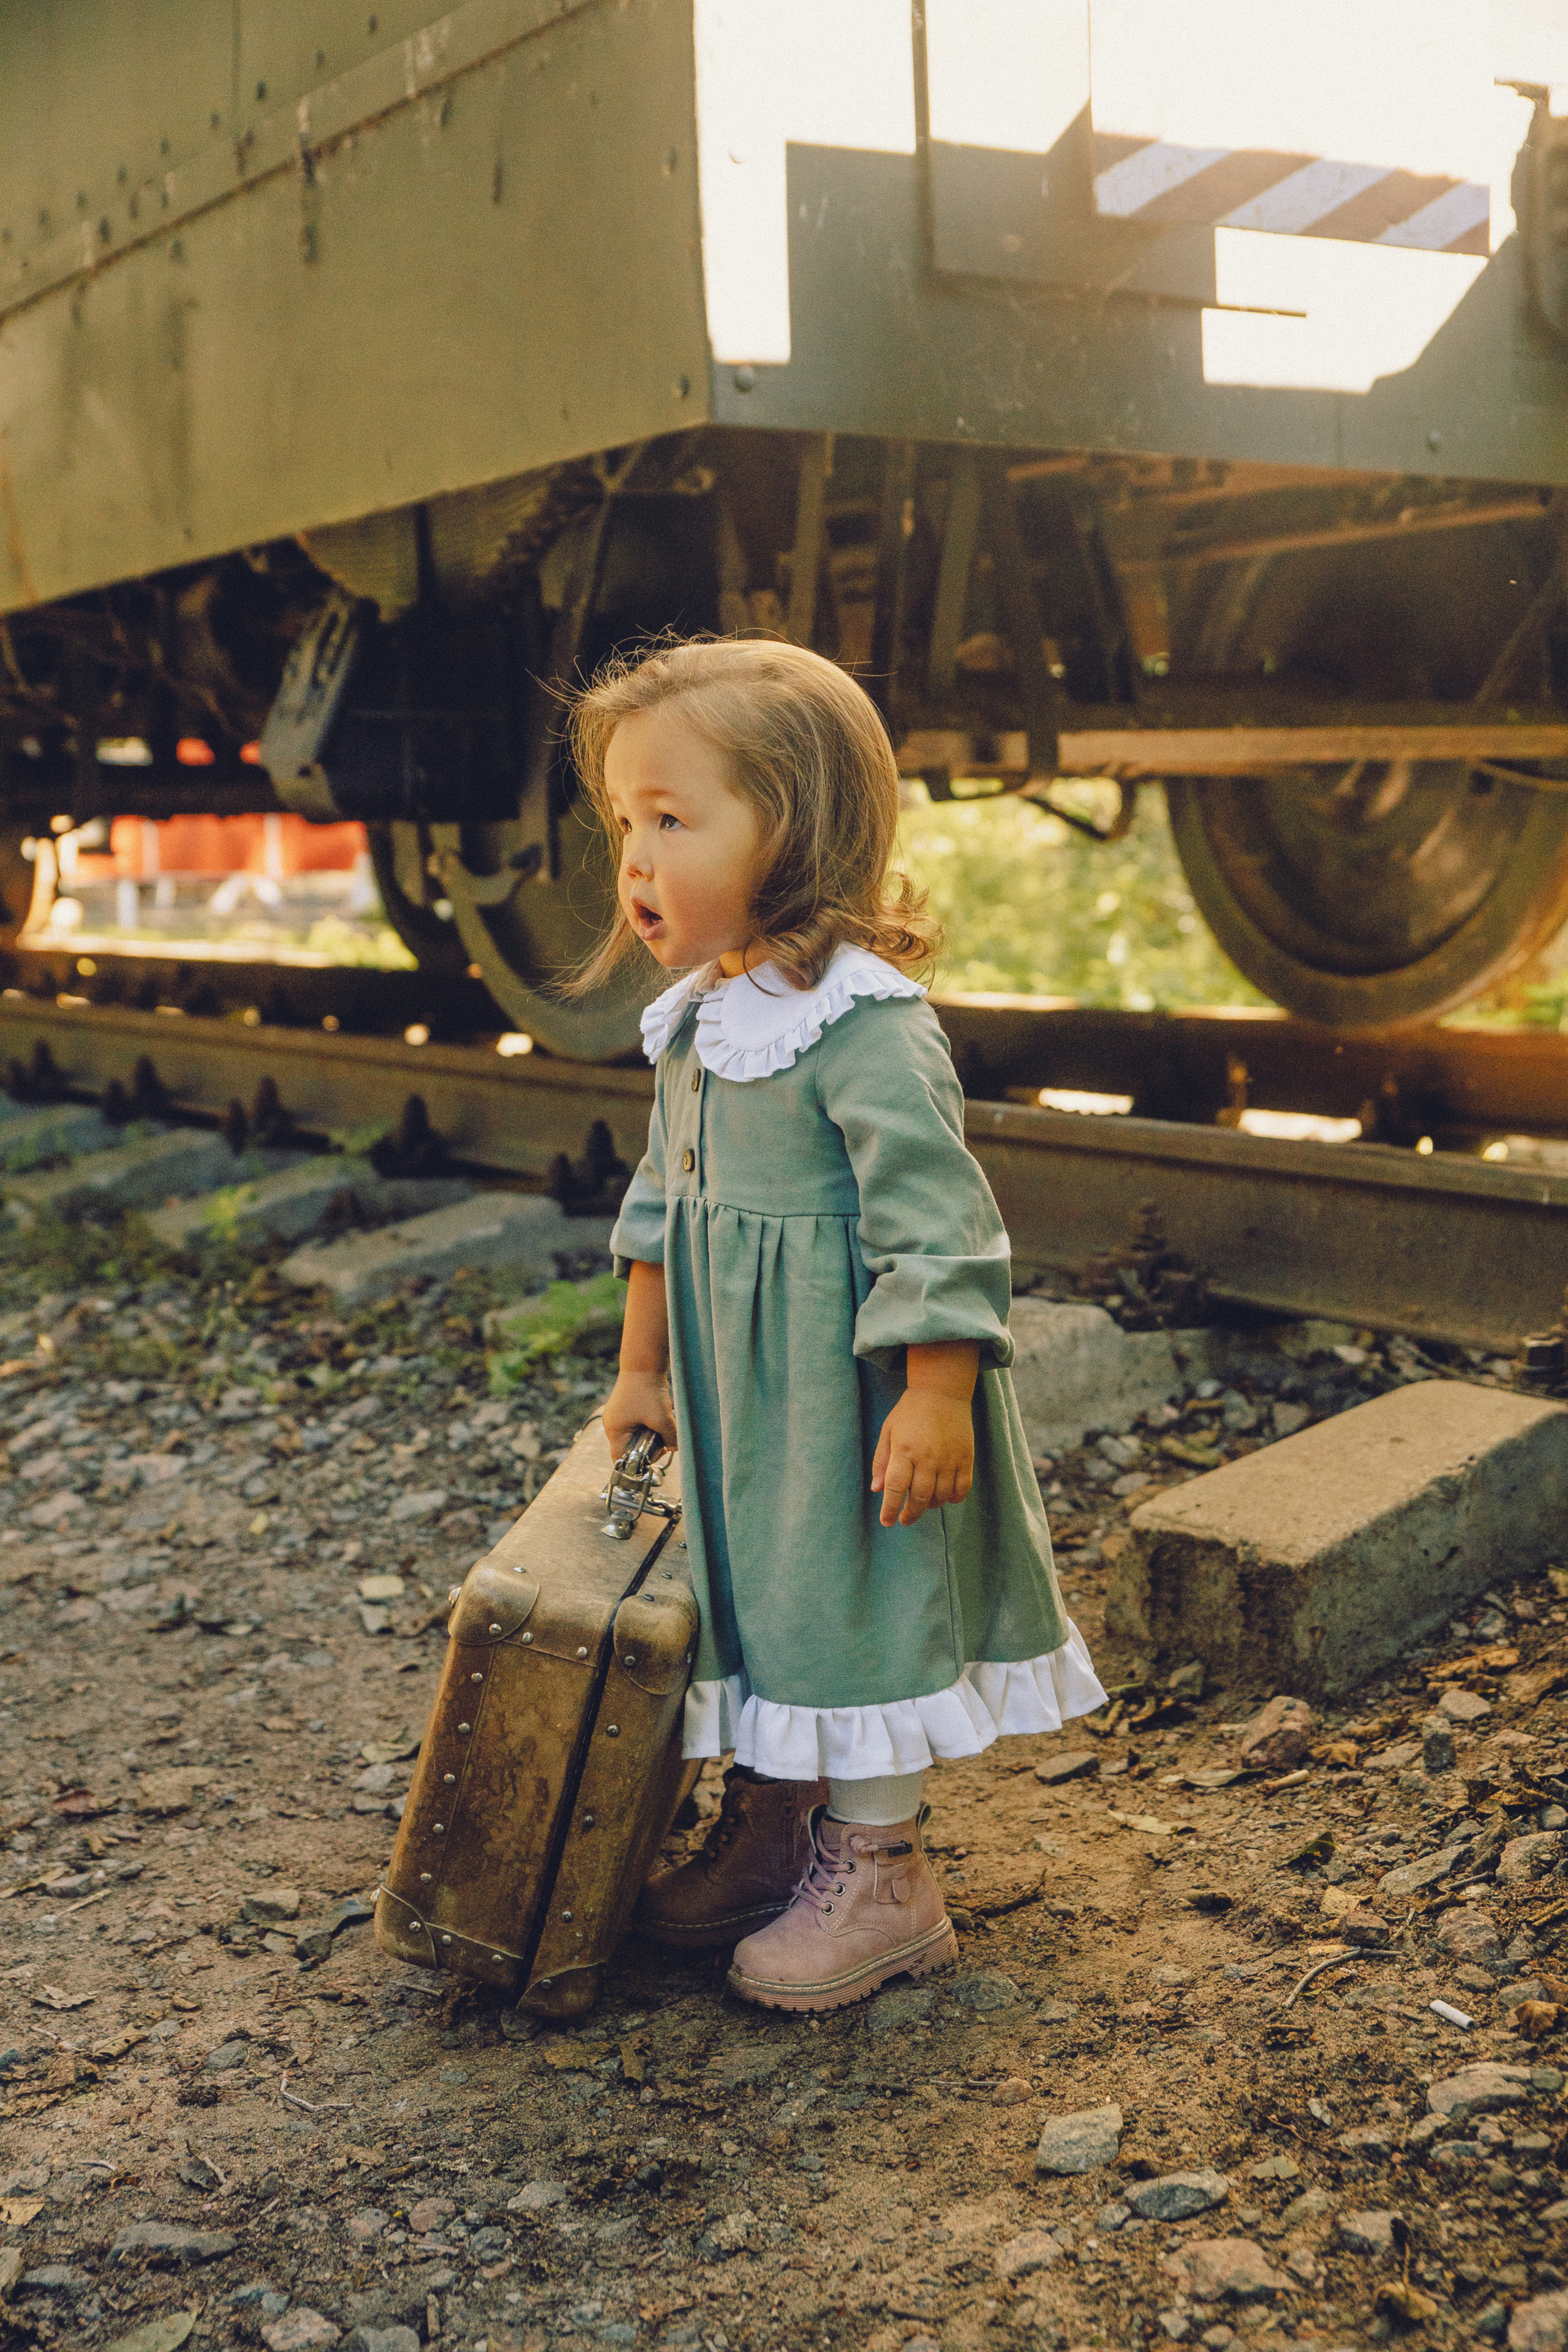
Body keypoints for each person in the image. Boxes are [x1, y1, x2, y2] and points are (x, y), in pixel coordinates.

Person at [578, 636, 1106, 2014]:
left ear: (795, 830)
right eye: (624, 823)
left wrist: (936, 1393)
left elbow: (941, 1228)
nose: (634, 861)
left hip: (847, 1399)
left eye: (671, 820)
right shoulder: (699, 1017)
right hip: (742, 1400)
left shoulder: (865, 1028)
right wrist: (641, 1372)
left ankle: (883, 1876)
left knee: (852, 1609)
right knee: (768, 1601)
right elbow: (658, 1206)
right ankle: (779, 1824)